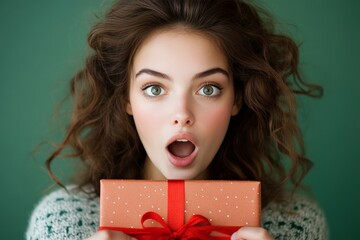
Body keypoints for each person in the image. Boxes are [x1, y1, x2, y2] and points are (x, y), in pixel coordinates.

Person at [26, 0, 328, 239]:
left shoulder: (296, 225)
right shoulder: (63, 223)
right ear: (126, 99)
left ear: (236, 99)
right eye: (155, 88)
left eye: (208, 89)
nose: (182, 114)